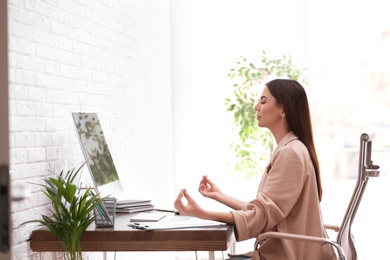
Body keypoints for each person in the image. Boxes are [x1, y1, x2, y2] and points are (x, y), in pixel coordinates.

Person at [174, 79, 336, 259]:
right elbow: (267, 210)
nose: (256, 107)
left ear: (283, 109)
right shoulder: (293, 148)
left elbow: (262, 216)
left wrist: (202, 214)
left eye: (263, 101)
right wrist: (221, 196)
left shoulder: (290, 153)